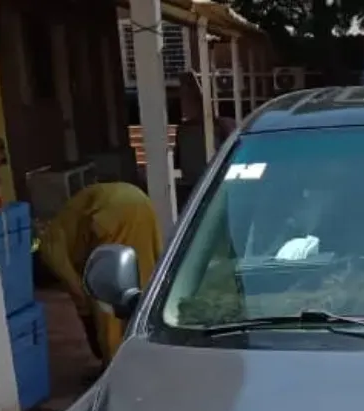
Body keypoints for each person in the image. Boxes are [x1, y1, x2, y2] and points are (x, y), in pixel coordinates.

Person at [36, 180, 163, 364]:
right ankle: (151, 348)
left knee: (108, 301)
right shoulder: (65, 228)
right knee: (144, 279)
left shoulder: (50, 251)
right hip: (139, 201)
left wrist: (89, 317)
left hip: (112, 213)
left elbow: (79, 292)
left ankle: (115, 365)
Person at [174, 72, 233, 205]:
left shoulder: (221, 125)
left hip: (212, 183)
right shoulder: (183, 130)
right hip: (193, 186)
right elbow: (177, 161)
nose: (185, 102)